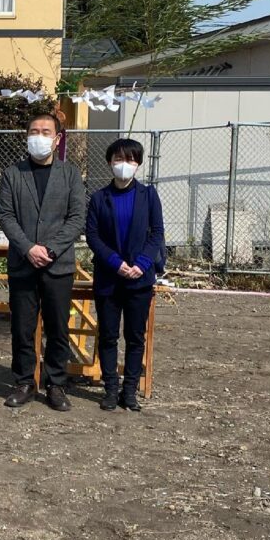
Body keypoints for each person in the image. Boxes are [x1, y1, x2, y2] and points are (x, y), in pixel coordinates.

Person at [0, 110, 86, 411]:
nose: (39, 137)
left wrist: (50, 248)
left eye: (46, 132)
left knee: (58, 327)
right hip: (23, 263)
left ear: (57, 138)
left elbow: (76, 218)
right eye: (34, 131)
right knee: (22, 327)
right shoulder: (12, 174)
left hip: (57, 265)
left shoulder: (70, 174)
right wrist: (27, 248)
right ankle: (24, 381)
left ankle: (56, 384)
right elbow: (6, 215)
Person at [85, 137, 165, 412]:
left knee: (135, 336)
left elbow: (156, 234)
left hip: (139, 280)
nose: (124, 164)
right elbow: (93, 236)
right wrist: (115, 262)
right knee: (107, 335)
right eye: (119, 159)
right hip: (109, 277)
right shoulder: (98, 198)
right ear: (109, 162)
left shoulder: (149, 195)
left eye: (131, 160)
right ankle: (110, 388)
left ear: (138, 164)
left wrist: (142, 263)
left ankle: (129, 391)